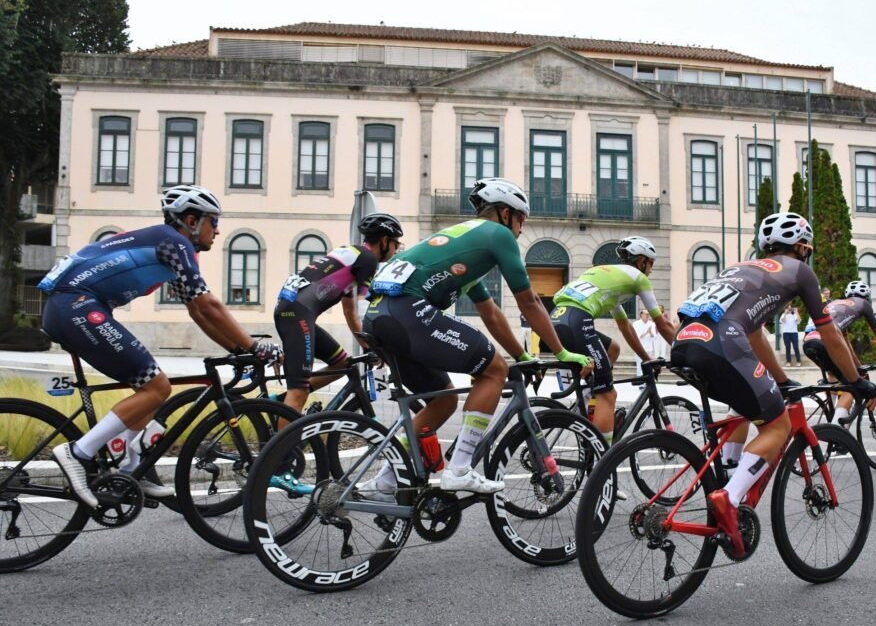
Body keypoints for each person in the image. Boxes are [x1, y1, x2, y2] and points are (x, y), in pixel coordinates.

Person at [37, 185, 282, 507]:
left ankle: (130, 466)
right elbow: (209, 306)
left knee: (147, 388)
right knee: (156, 386)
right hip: (77, 306)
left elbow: (198, 311)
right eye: (213, 221)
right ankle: (77, 453)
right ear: (191, 220)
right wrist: (254, 346)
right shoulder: (174, 242)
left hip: (71, 307)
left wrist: (240, 350)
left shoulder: (166, 245)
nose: (218, 230)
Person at [360, 177, 591, 497]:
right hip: (405, 313)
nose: (521, 228)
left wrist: (523, 356)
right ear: (504, 213)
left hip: (377, 317)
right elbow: (530, 301)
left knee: (443, 399)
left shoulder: (465, 242)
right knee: (494, 370)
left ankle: (389, 473)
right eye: (521, 218)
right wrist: (562, 352)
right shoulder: (497, 234)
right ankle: (459, 469)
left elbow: (491, 313)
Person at [671, 212, 876, 558]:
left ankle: (731, 471)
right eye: (806, 250)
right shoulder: (799, 272)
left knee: (747, 403)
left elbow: (756, 334)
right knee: (778, 424)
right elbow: (831, 334)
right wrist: (855, 381)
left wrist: (781, 380)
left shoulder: (740, 268)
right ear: (801, 247)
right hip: (722, 341)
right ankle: (730, 498)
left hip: (684, 342)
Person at [547, 236, 676, 447]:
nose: (651, 269)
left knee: (613, 349)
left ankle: (591, 405)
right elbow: (662, 324)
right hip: (577, 321)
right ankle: (602, 459)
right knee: (608, 394)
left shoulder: (608, 275)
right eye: (651, 263)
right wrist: (683, 354)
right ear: (642, 260)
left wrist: (647, 358)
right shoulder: (638, 278)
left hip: (556, 319)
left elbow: (625, 327)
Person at [273, 213, 403, 415]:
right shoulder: (368, 259)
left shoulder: (351, 257)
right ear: (385, 241)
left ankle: (279, 405)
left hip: (293, 312)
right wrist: (382, 343)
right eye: (396, 243)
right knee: (298, 394)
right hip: (297, 315)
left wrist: (369, 347)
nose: (397, 249)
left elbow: (350, 312)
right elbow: (364, 307)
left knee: (342, 364)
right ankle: (282, 441)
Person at [802, 280, 876, 426]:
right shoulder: (863, 304)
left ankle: (834, 414)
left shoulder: (837, 304)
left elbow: (844, 343)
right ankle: (837, 432)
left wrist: (857, 365)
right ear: (867, 298)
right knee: (853, 386)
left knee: (835, 375)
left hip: (809, 342)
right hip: (826, 341)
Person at [632, 309, 657, 375]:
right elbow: (637, 336)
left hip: (649, 348)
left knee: (649, 365)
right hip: (639, 348)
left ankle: (649, 381)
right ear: (641, 315)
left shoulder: (651, 324)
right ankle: (640, 381)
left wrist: (651, 333)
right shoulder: (636, 324)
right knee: (639, 365)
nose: (647, 315)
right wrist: (646, 332)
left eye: (648, 314)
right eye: (646, 314)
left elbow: (654, 337)